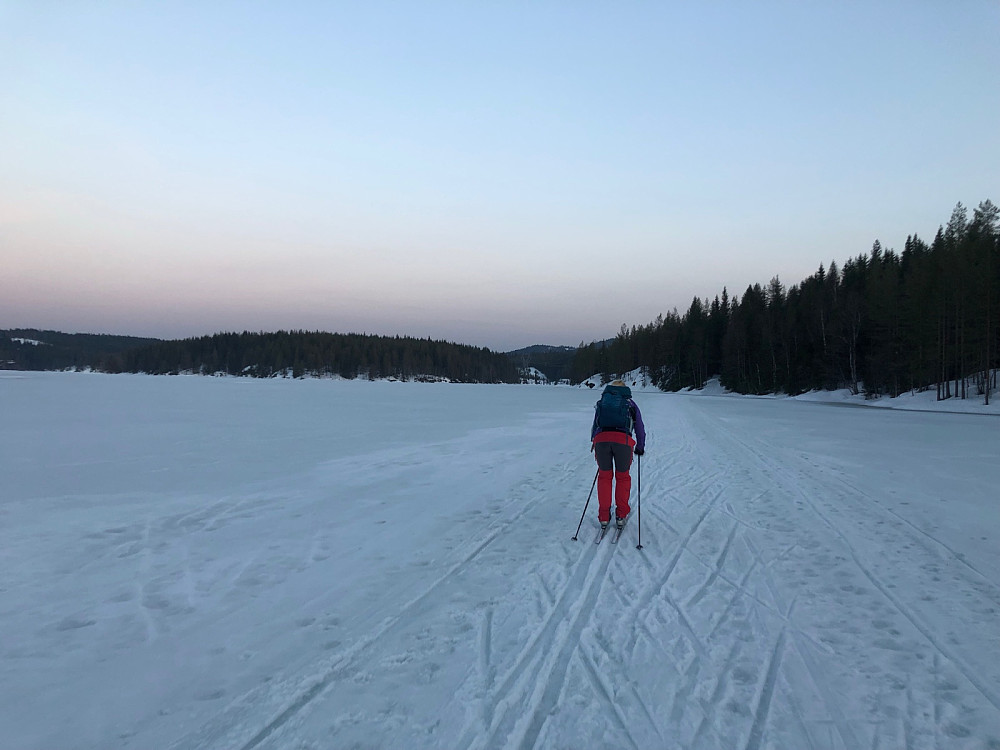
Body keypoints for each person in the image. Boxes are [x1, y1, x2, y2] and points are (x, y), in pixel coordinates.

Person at [590, 379, 646, 529]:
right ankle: (621, 515)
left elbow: (596, 424)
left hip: (601, 441)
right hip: (623, 442)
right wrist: (640, 446)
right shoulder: (630, 404)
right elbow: (639, 427)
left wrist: (594, 441)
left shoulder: (602, 403)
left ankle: (603, 516)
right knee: (622, 478)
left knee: (604, 477)